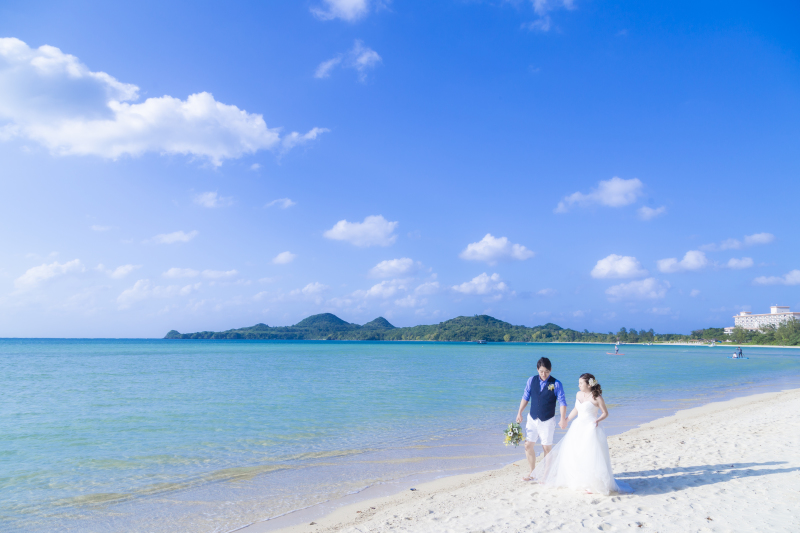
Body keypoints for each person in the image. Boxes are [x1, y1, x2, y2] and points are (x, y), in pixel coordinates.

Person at [531, 373, 632, 494]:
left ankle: (591, 484)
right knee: (575, 453)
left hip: (590, 428)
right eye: (578, 383)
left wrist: (597, 420)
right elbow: (576, 409)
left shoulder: (597, 397)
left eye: (581, 383)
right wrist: (566, 419)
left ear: (589, 384)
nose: (578, 385)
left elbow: (605, 413)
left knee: (589, 455)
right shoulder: (578, 394)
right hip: (578, 426)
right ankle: (578, 480)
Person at [516, 357, 567, 481]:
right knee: (528, 445)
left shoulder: (556, 383)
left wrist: (563, 418)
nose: (544, 374)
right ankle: (532, 473)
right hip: (532, 419)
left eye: (547, 371)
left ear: (550, 370)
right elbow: (525, 397)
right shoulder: (531, 380)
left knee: (546, 448)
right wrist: (519, 413)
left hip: (547, 420)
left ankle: (546, 475)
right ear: (537, 369)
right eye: (541, 371)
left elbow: (562, 402)